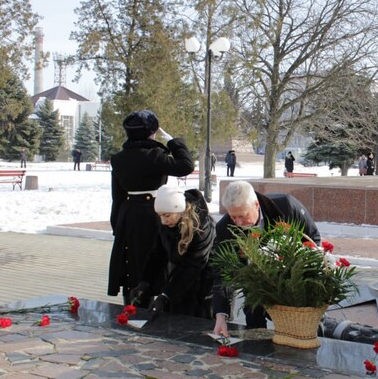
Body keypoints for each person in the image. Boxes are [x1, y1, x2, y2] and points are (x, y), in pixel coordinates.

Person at [107, 110, 195, 306]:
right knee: (155, 259)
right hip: (154, 213)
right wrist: (173, 142)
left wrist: (117, 224)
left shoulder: (119, 158)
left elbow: (117, 195)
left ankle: (132, 304)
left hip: (128, 214)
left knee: (132, 263)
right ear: (151, 132)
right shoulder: (154, 155)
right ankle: (155, 301)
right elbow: (186, 165)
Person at [211, 180, 320, 337]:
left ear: (256, 205)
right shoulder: (225, 228)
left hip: (295, 282)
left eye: (242, 215)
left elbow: (312, 238)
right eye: (233, 217)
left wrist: (306, 275)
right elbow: (222, 271)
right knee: (254, 318)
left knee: (304, 326)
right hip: (255, 283)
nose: (239, 223)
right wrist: (221, 313)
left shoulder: (285, 207)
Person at [129, 184, 215, 320]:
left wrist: (166, 296)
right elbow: (157, 254)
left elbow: (193, 266)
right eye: (160, 216)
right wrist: (145, 282)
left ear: (180, 210)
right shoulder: (168, 223)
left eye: (167, 215)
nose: (163, 221)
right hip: (180, 283)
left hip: (205, 287)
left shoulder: (201, 227)